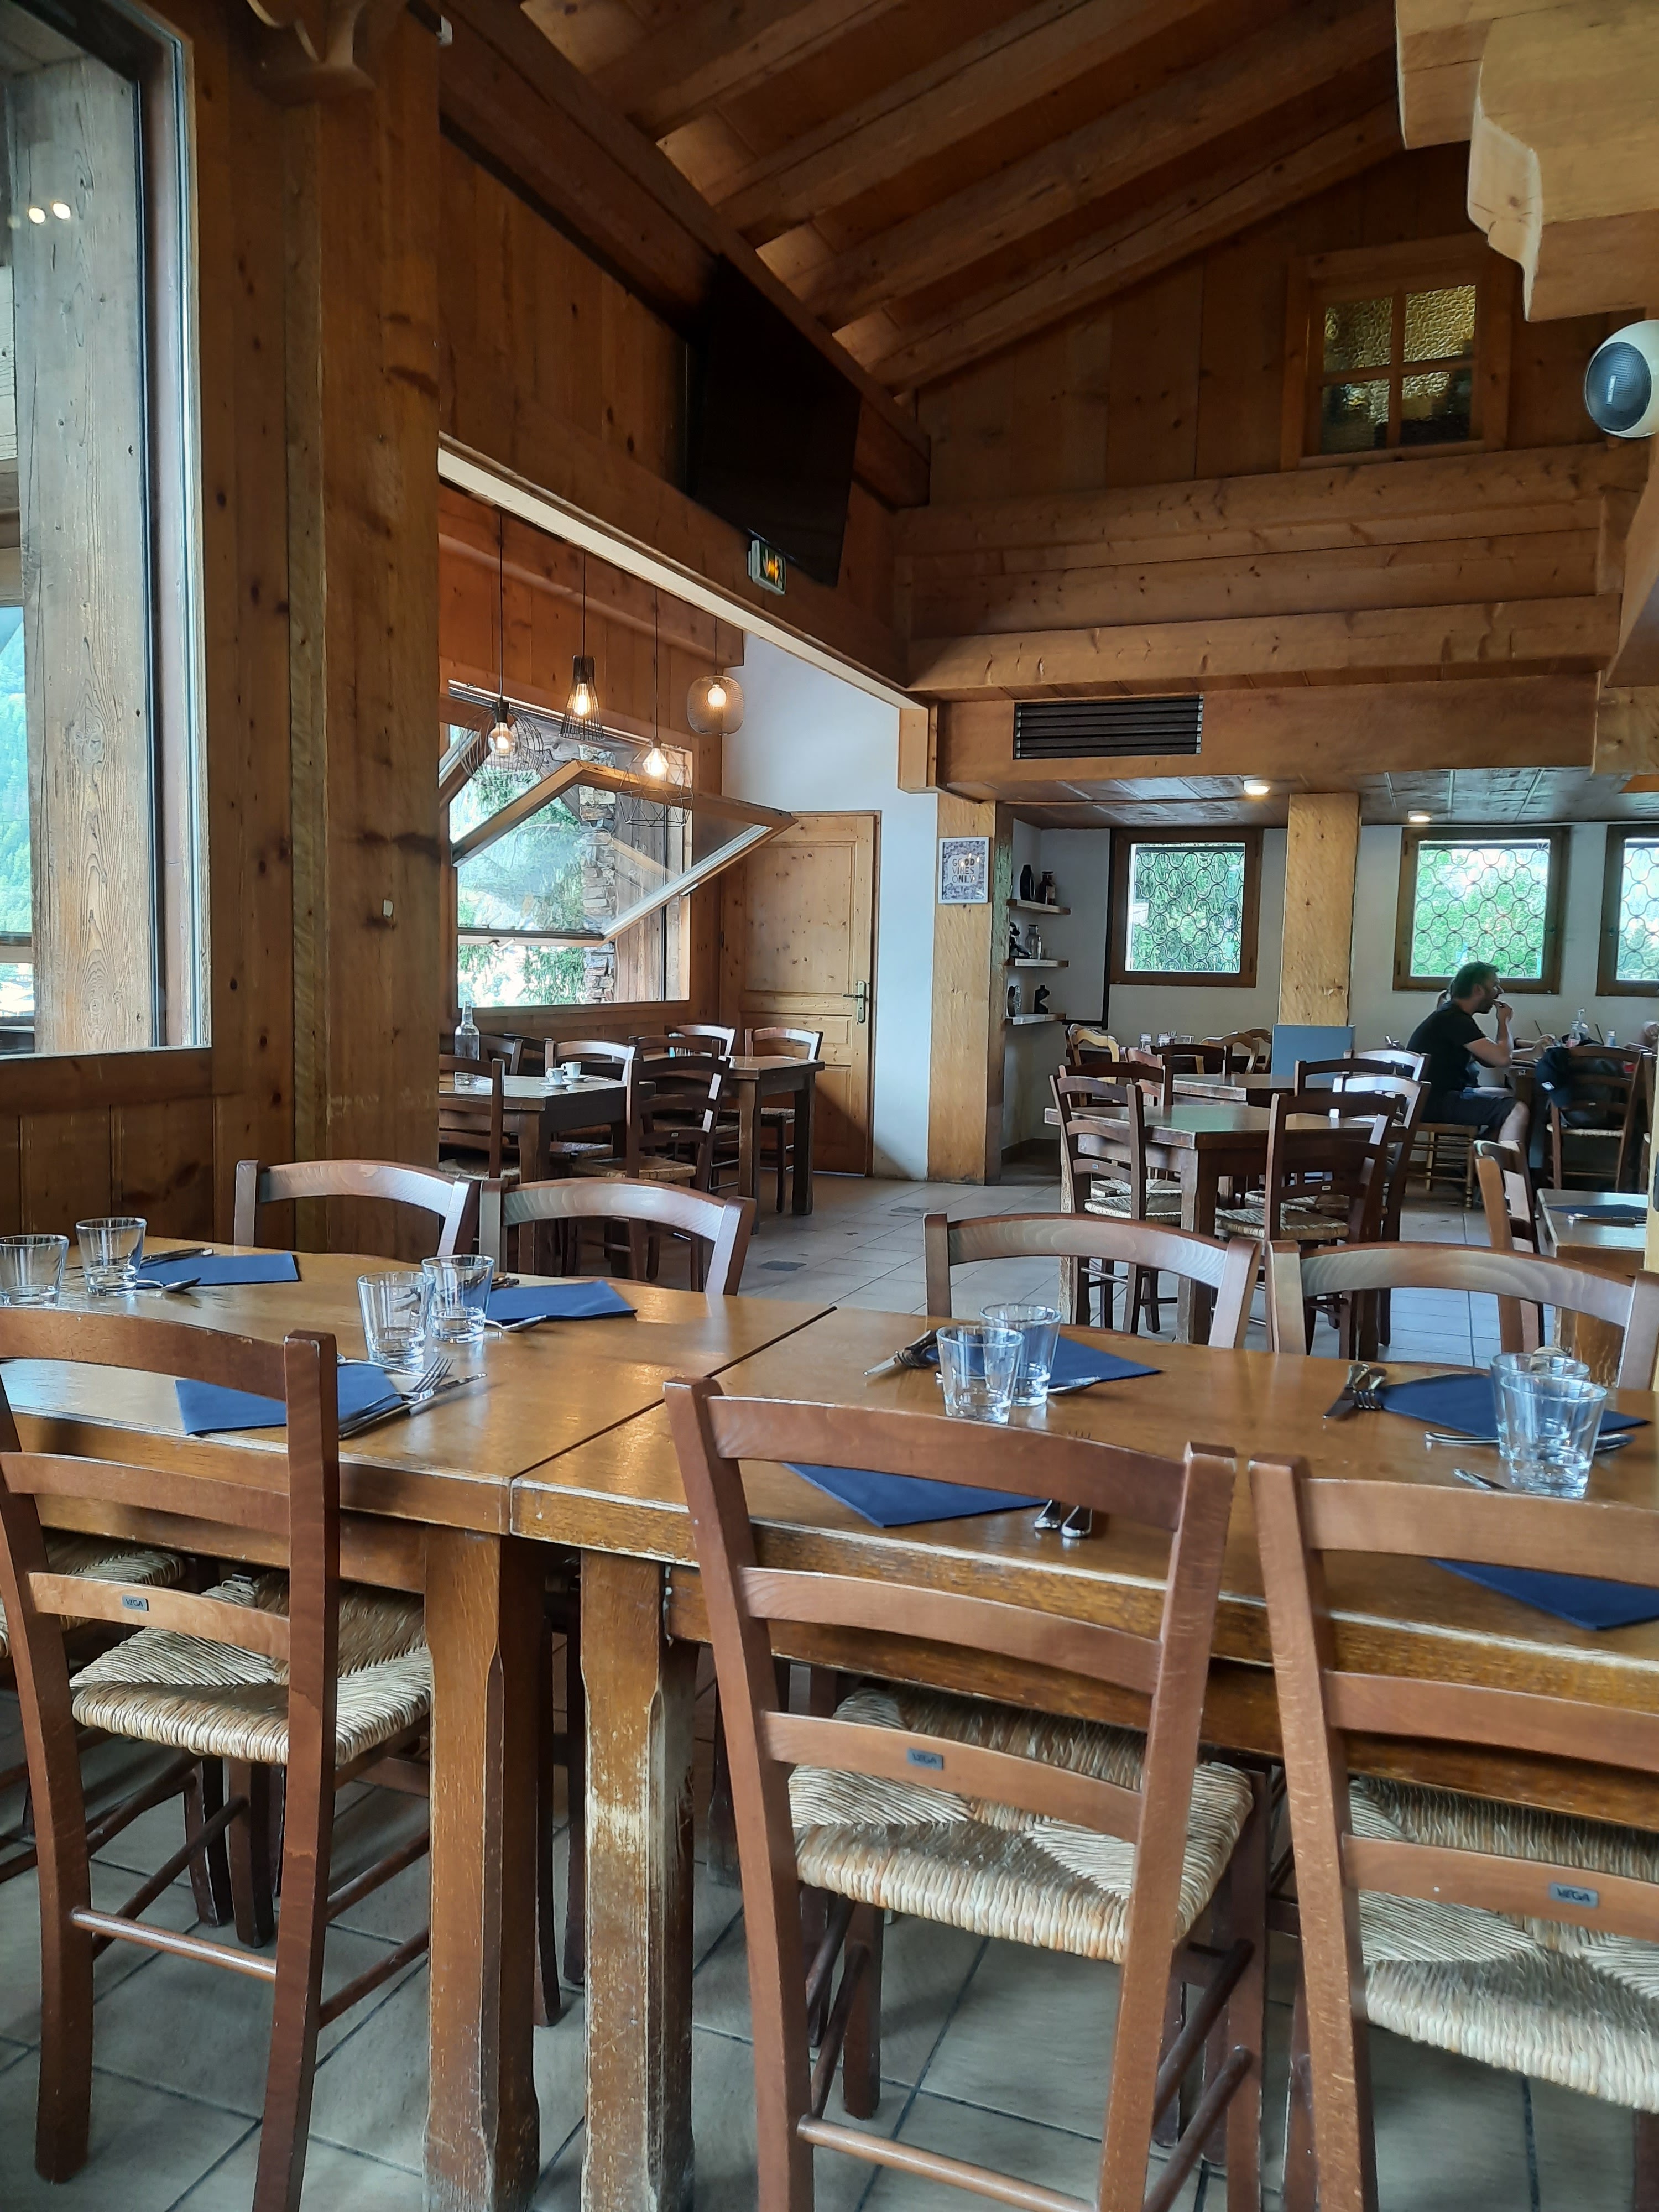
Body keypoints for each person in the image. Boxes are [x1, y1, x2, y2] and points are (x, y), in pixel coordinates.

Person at [1407, 961, 1528, 1149]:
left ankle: (1480, 1157)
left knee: (1508, 1095)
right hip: (1434, 1102)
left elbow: (1489, 1059)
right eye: (1495, 985)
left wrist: (1531, 1051)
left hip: (1430, 1097)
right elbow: (1503, 1059)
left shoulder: (1454, 1015)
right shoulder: (1453, 1019)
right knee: (1518, 1111)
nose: (1500, 991)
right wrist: (1503, 1022)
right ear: (1478, 990)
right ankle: (1504, 1166)